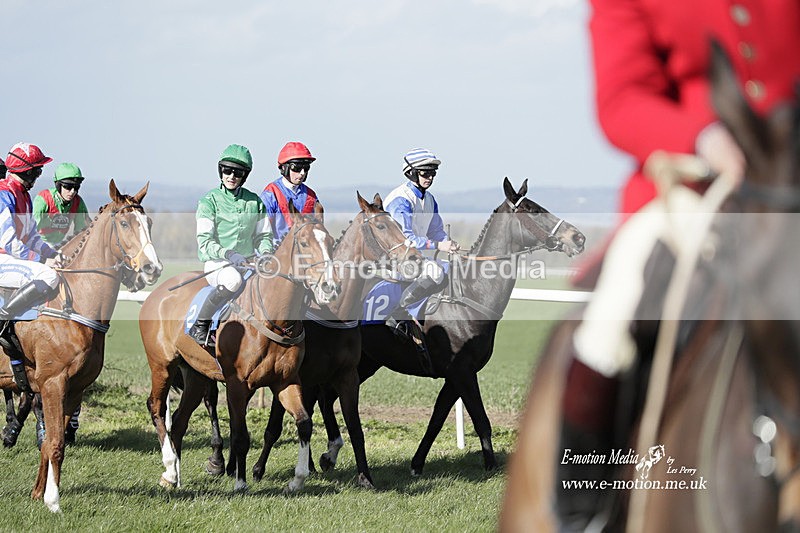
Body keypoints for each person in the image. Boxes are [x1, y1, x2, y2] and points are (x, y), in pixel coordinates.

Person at [557, 0, 800, 527]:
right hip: (694, 183)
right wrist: (701, 136)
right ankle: (588, 506)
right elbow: (622, 98)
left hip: (791, 180)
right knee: (613, 315)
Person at [188, 144, 274, 347]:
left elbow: (263, 236)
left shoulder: (255, 202)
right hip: (217, 264)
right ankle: (200, 326)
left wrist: (265, 254)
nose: (231, 176)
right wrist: (228, 254)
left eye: (238, 172)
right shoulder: (209, 202)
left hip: (248, 264)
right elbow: (205, 242)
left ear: (245, 176)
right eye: (227, 170)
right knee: (233, 281)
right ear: (221, 170)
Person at [383, 148, 459, 346]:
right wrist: (438, 245)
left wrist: (448, 243)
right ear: (411, 173)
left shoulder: (430, 199)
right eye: (425, 173)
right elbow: (406, 239)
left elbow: (436, 230)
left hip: (419, 258)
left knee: (454, 268)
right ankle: (399, 312)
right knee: (435, 271)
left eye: (433, 173)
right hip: (398, 258)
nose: (430, 177)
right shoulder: (401, 199)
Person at [0, 143, 61, 385]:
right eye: (36, 171)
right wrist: (43, 259)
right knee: (49, 276)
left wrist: (54, 252)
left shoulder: (23, 195)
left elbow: (33, 237)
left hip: (12, 259)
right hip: (3, 259)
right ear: (25, 171)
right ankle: (4, 320)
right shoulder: (4, 193)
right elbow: (10, 242)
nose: (38, 176)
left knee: (56, 270)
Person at [259, 142, 321, 245]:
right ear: (284, 168)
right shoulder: (271, 194)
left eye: (306, 168)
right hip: (274, 254)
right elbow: (262, 233)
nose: (302, 173)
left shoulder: (311, 196)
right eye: (296, 168)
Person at [33, 162, 91, 246]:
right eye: (68, 187)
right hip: (38, 244)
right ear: (58, 185)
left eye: (76, 187)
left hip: (59, 245)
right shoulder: (43, 199)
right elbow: (31, 230)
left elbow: (82, 231)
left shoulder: (78, 202)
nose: (72, 192)